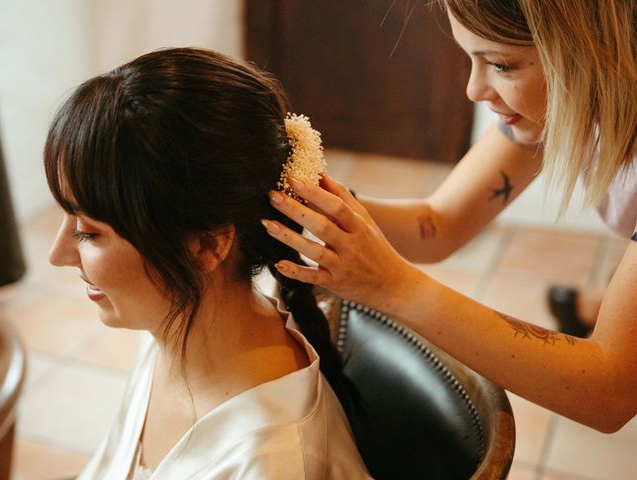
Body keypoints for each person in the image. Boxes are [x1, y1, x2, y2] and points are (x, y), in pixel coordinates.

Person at [263, 0, 637, 433]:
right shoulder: (554, 108)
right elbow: (440, 223)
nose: (474, 90)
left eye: (501, 65)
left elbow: (610, 391)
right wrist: (314, 199)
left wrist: (393, 287)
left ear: (596, 53)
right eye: (471, 59)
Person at [45, 47, 370, 479]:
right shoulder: (172, 327)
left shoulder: (272, 461)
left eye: (89, 232)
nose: (57, 254)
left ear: (205, 246)